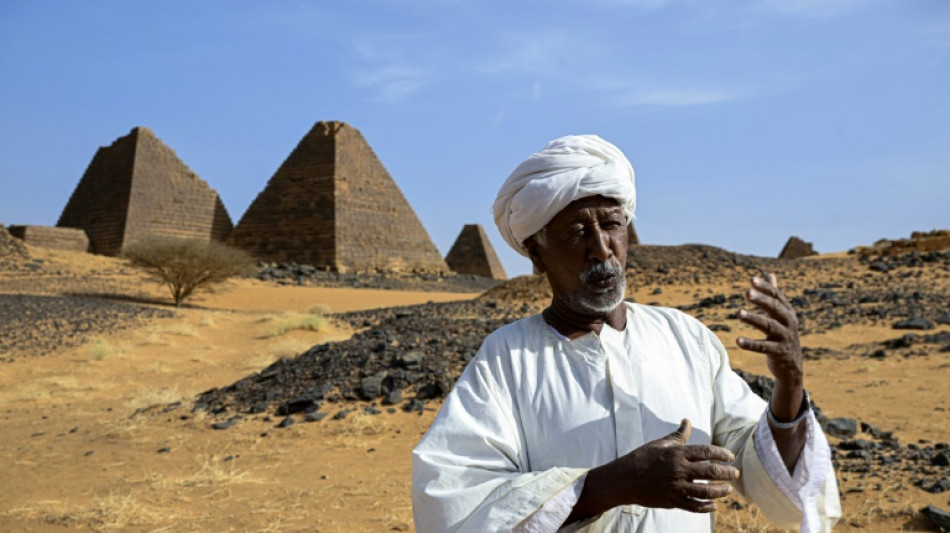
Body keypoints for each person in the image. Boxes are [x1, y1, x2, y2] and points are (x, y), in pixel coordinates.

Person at [412, 135, 841, 532]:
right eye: (578, 231)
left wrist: (790, 386)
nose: (601, 248)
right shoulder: (506, 360)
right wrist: (611, 485)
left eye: (612, 225)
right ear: (538, 255)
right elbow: (453, 501)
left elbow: (769, 475)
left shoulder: (686, 339)